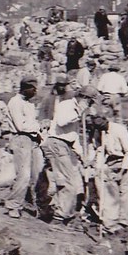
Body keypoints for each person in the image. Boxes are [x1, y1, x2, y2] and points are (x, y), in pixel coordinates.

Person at [41, 88, 90, 222]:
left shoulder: (77, 111)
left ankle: (54, 209)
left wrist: (82, 155)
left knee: (62, 180)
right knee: (69, 182)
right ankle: (60, 215)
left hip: (64, 145)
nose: (90, 106)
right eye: (90, 102)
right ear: (84, 98)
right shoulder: (67, 105)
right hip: (57, 143)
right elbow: (62, 122)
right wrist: (79, 112)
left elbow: (74, 136)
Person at [4, 78, 45, 219]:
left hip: (32, 139)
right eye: (33, 89)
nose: (35, 92)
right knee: (24, 175)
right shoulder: (15, 102)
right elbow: (21, 126)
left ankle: (31, 202)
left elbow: (32, 123)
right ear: (25, 88)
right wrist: (38, 127)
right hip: (21, 139)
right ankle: (13, 205)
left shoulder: (28, 104)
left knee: (37, 173)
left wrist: (38, 132)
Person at [87, 116, 128, 232]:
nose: (100, 128)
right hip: (111, 160)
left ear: (106, 121)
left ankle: (123, 221)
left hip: (126, 157)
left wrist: (122, 172)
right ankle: (111, 220)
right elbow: (100, 150)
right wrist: (98, 167)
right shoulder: (98, 132)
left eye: (102, 125)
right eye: (97, 127)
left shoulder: (119, 130)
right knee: (110, 190)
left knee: (125, 190)